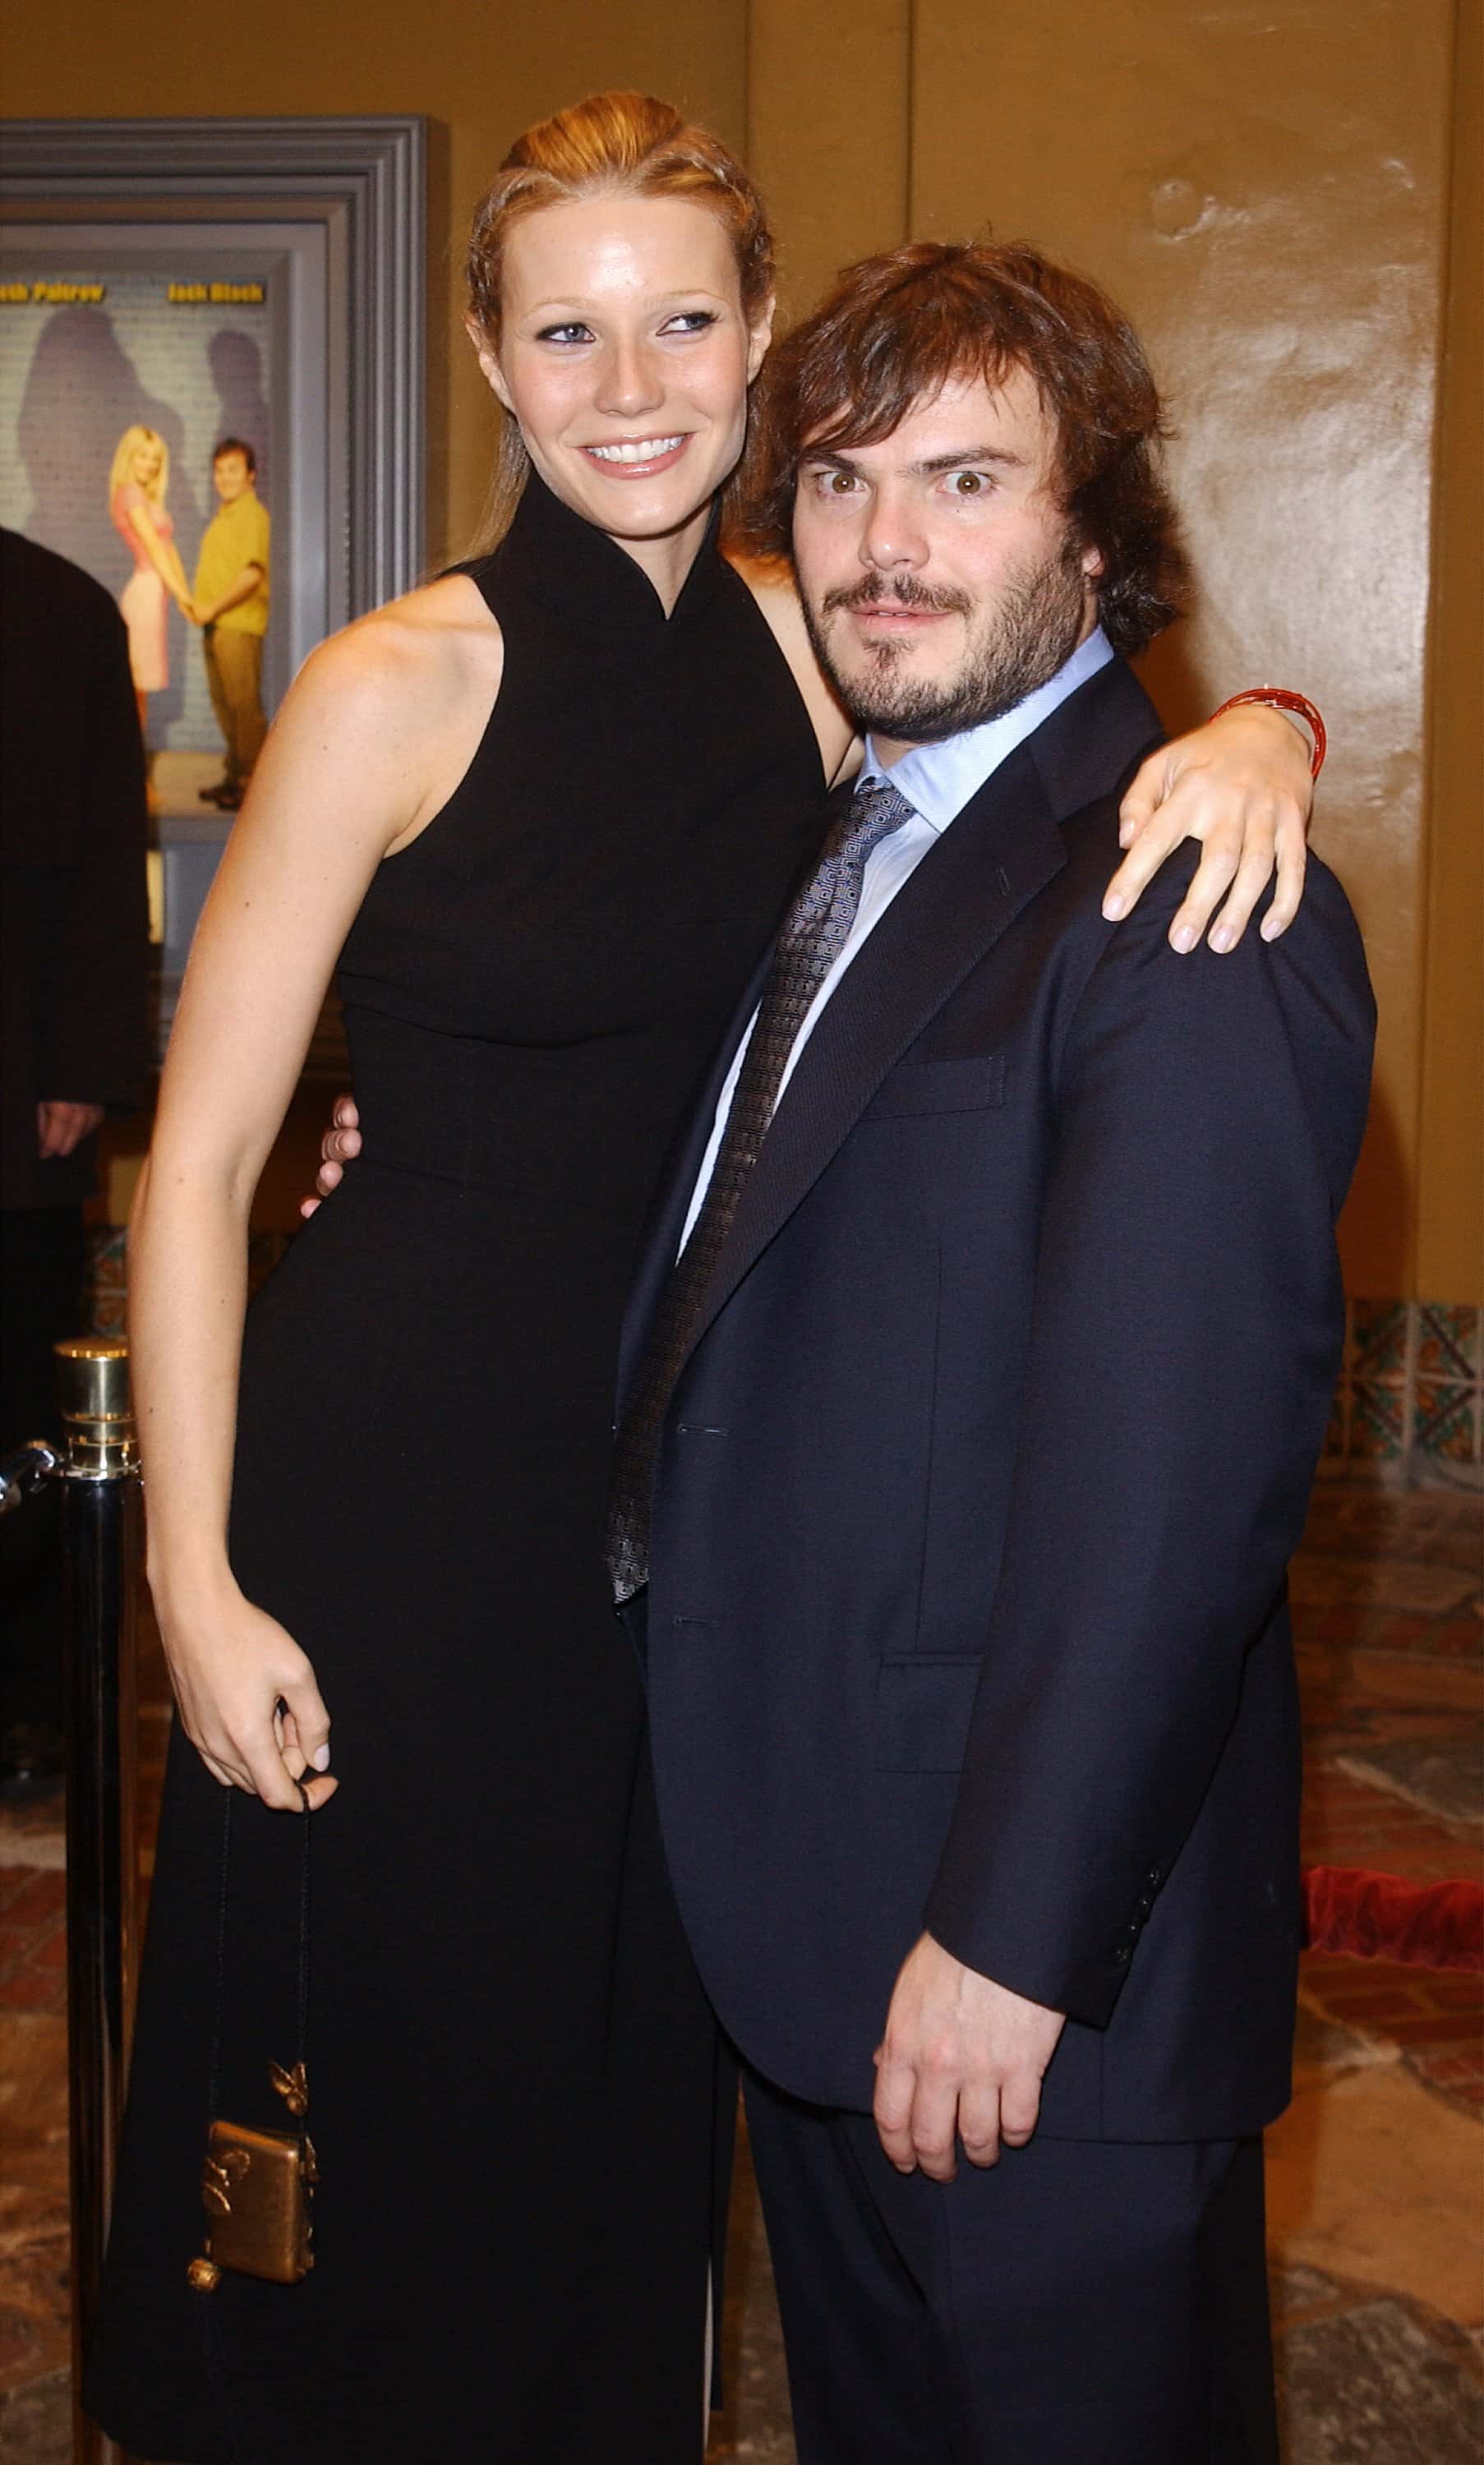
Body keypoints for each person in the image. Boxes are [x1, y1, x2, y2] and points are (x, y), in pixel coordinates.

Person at [88, 94, 1325, 2465]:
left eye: (680, 321)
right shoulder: (389, 681)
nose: (630, 383)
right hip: (399, 1520)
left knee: (616, 2119)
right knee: (393, 2097)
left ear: (759, 341)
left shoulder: (809, 642)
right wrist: (194, 1583)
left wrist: (1259, 729)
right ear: (489, 359)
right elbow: (207, 1156)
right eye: (566, 332)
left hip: (688, 1539)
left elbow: (1034, 749)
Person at [606, 240, 1375, 2464]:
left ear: (1092, 533)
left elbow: (1174, 1494)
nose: (888, 544)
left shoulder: (1179, 896)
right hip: (820, 1912)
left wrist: (1012, 1939)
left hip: (1029, 1980)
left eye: (964, 481)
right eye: (842, 482)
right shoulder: (847, 841)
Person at [0, 528, 152, 1790]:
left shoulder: (60, 612)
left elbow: (110, 859)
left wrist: (86, 1064)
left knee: (20, 1414)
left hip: (18, 1100)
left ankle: (28, 1711)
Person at [192, 436, 270, 809]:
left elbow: (252, 574)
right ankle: (235, 777)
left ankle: (252, 785)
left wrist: (212, 609)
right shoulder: (224, 517)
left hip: (238, 625)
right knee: (225, 705)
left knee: (243, 707)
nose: (224, 478)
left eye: (233, 470)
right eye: (219, 470)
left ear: (251, 475)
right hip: (217, 625)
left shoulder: (252, 516)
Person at [108, 423, 192, 741]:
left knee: (140, 691)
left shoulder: (145, 497)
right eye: (143, 456)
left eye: (155, 458)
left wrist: (185, 595)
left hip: (155, 593)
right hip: (144, 593)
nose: (150, 464)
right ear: (129, 457)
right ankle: (134, 766)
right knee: (136, 688)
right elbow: (155, 549)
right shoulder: (129, 493)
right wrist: (184, 596)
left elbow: (169, 549)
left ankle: (136, 764)